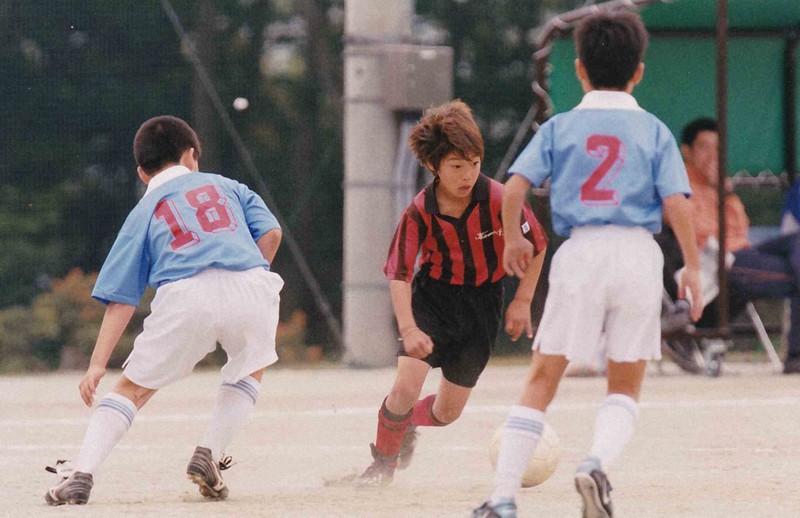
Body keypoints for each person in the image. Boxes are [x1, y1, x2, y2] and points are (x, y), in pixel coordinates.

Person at [472, 10, 703, 518]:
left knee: (542, 377)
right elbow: (677, 203)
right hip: (639, 254)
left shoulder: (561, 126)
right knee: (625, 383)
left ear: (579, 69)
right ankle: (595, 463)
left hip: (580, 252)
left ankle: (502, 498)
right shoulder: (656, 131)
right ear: (638, 71)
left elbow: (514, 186)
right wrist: (690, 266)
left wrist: (513, 239)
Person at [44, 115, 284, 505]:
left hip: (186, 294)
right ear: (191, 156)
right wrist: (247, 282)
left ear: (142, 172)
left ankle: (81, 475)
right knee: (250, 365)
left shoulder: (143, 211)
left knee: (133, 390)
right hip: (251, 283)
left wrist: (97, 364)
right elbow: (271, 233)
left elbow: (121, 297)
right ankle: (209, 452)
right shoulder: (229, 186)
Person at [354, 100, 548, 488]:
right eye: (457, 167)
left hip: (482, 307)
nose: (467, 175)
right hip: (433, 301)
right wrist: (409, 328)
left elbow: (537, 245)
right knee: (405, 387)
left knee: (447, 413)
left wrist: (522, 300)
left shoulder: (498, 199)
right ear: (434, 167)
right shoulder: (419, 211)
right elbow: (399, 274)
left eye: (474, 163)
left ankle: (405, 423)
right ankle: (382, 465)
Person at [661, 117, 800, 375]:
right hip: (718, 261)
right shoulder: (679, 184)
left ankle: (796, 356)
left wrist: (726, 194)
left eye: (717, 147)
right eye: (704, 147)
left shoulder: (719, 186)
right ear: (687, 151)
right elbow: (698, 230)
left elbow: (740, 227)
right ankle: (796, 355)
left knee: (797, 240)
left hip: (743, 252)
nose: (713, 154)